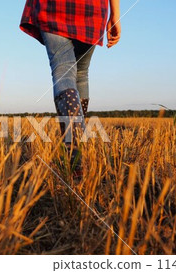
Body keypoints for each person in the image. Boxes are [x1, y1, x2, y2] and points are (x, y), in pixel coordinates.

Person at [20, 0, 121, 177]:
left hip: (53, 5)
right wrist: (115, 15)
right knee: (81, 73)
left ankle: (75, 157)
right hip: (93, 8)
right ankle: (77, 149)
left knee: (63, 69)